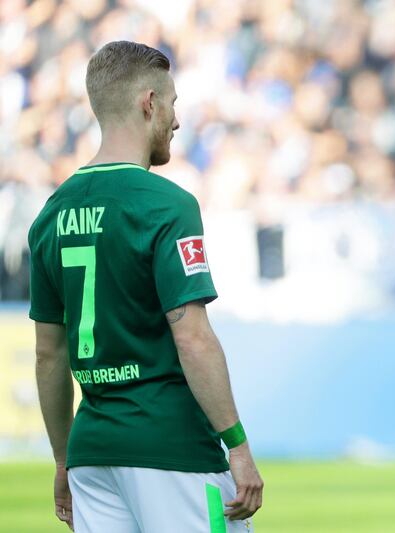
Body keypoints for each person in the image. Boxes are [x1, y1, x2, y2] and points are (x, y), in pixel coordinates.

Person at [29, 41, 263, 532]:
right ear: (149, 102)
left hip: (92, 456)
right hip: (172, 449)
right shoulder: (166, 205)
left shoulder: (50, 214)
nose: (177, 122)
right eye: (174, 104)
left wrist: (62, 460)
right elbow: (193, 336)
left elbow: (49, 356)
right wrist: (237, 444)